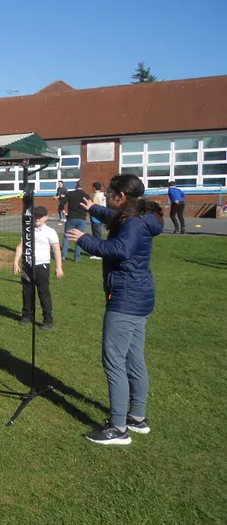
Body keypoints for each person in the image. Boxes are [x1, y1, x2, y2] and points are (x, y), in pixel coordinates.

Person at [66, 174, 163, 445]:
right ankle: (137, 417)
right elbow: (115, 217)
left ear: (120, 196)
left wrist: (84, 239)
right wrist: (93, 209)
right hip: (140, 296)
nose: (105, 196)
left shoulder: (133, 222)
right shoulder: (139, 214)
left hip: (126, 298)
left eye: (108, 193)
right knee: (134, 358)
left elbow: (121, 249)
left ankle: (119, 427)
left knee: (114, 361)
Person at [12, 206, 63, 330]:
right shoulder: (27, 230)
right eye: (36, 216)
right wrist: (16, 262)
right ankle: (27, 315)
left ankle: (48, 320)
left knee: (43, 293)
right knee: (27, 291)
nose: (38, 218)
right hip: (27, 266)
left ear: (46, 217)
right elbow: (20, 247)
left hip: (42, 266)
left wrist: (59, 267)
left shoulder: (50, 232)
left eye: (41, 216)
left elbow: (56, 250)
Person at [60, 180, 91, 262]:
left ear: (76, 185)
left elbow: (62, 203)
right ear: (83, 186)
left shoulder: (70, 194)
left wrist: (63, 212)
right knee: (79, 237)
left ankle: (63, 256)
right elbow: (89, 207)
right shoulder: (86, 196)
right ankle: (77, 257)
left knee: (67, 237)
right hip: (82, 218)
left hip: (71, 217)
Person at [89, 182, 106, 260]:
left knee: (96, 236)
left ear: (94, 188)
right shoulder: (103, 196)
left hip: (96, 218)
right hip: (102, 216)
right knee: (98, 235)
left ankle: (98, 253)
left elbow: (94, 207)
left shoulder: (96, 196)